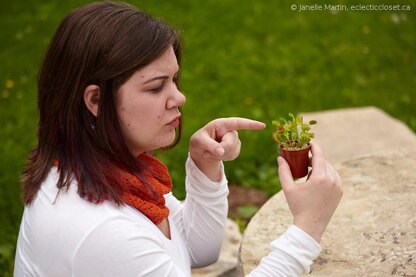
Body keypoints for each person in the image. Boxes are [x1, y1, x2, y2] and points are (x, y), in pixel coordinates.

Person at [14, 1, 342, 276]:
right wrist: (307, 227)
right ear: (95, 101)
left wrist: (205, 167)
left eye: (174, 79)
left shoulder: (112, 171)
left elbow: (197, 251)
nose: (179, 97)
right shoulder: (102, 230)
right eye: (156, 87)